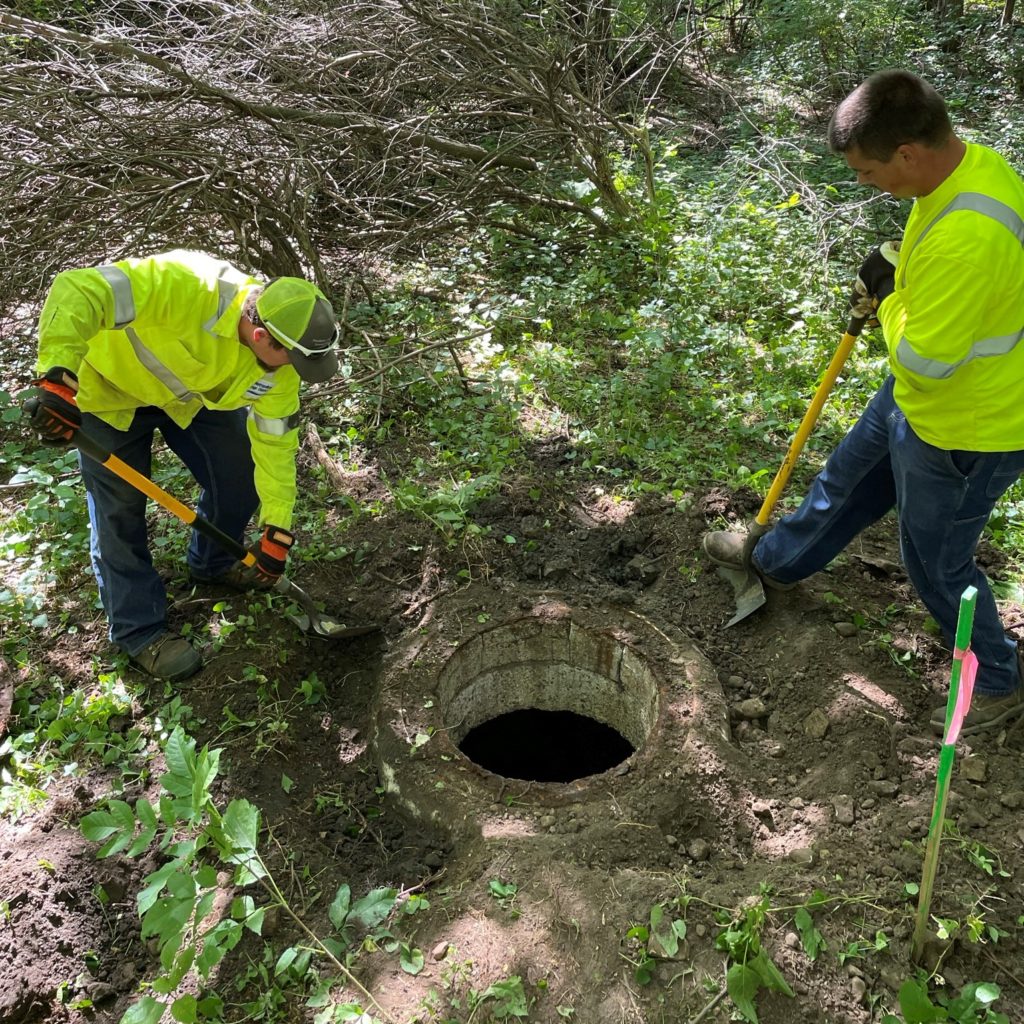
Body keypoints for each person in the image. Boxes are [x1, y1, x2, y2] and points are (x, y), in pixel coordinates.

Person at [703, 69, 1024, 736]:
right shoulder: (965, 171)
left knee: (937, 562)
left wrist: (888, 297)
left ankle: (997, 679)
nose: (863, 183)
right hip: (921, 404)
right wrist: (896, 262)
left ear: (908, 152)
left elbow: (926, 362)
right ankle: (775, 561)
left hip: (969, 426)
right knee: (844, 481)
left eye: (867, 170)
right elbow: (932, 268)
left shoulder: (973, 236)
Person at [25, 250, 341, 683]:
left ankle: (212, 561)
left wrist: (277, 529)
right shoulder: (190, 284)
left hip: (187, 399)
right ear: (261, 333)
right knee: (119, 510)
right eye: (296, 358)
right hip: (109, 394)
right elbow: (79, 287)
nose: (297, 372)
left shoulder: (280, 372)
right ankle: (140, 632)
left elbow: (275, 446)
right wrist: (57, 378)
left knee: (241, 473)